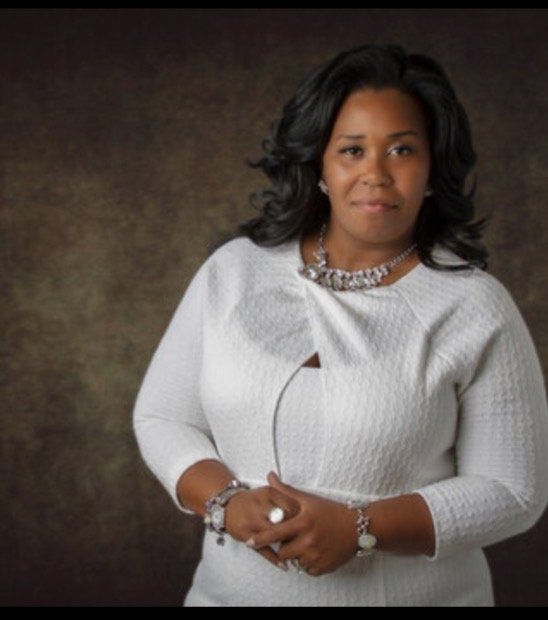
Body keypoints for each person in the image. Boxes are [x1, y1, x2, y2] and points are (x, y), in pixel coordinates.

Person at [131, 43, 548, 606]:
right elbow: (163, 416)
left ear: (432, 169)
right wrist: (226, 501)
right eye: (352, 150)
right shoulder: (234, 271)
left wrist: (361, 529)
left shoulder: (474, 307)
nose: (375, 174)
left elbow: (514, 490)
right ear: (320, 167)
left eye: (401, 150)